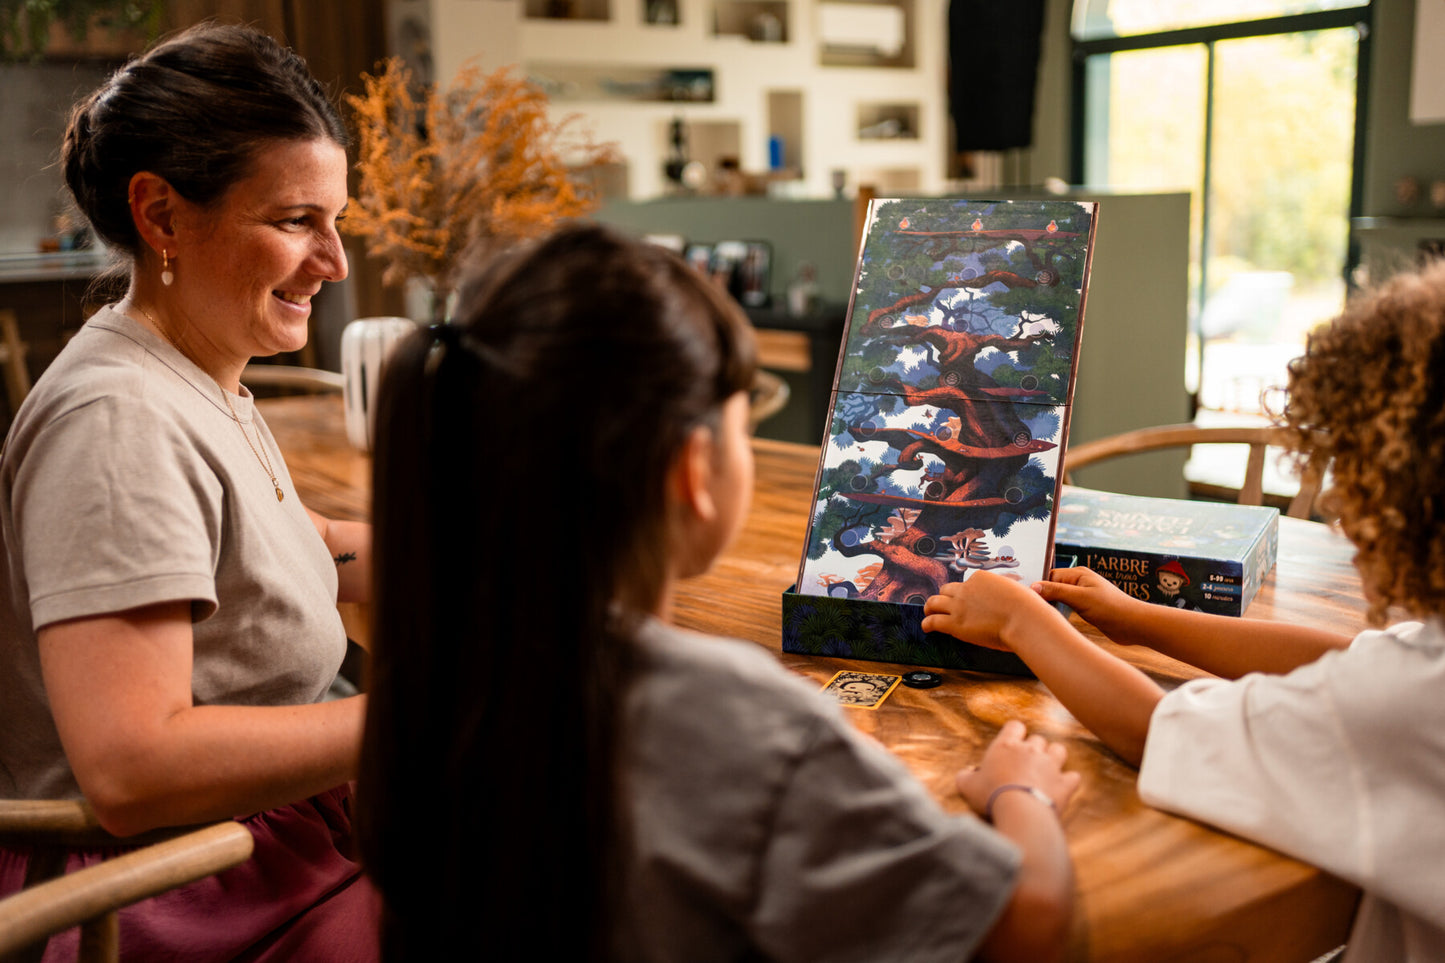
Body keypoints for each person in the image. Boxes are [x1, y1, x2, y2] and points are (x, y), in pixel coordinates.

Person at [356, 224, 1081, 962]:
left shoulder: (433, 661)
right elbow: (1034, 924)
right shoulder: (737, 717)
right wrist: (1020, 795)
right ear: (692, 470)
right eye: (745, 422)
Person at [922, 260, 1445, 961]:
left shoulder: (1406, 706)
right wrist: (1136, 615)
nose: (1338, 507)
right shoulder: (1418, 669)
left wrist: (1023, 622)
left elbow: (1157, 729)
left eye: (1350, 477)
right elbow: (1351, 662)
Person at [0, 22, 377, 960]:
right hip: (172, 890)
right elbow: (135, 766)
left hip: (243, 846)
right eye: (295, 221)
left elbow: (274, 541)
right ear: (162, 216)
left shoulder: (192, 374)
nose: (333, 261)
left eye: (336, 219)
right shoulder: (117, 419)